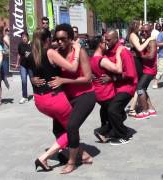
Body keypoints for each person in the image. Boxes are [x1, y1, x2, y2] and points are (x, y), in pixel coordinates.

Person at [46, 24, 96, 174]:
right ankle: (83, 154)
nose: (60, 42)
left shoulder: (80, 53)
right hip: (66, 97)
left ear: (70, 38)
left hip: (85, 95)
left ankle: (72, 162)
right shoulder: (56, 53)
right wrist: (36, 80)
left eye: (63, 39)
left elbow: (87, 78)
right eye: (57, 39)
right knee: (57, 129)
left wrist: (65, 81)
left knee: (72, 126)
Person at [28, 27, 80, 172]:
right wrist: (77, 51)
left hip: (39, 101)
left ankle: (70, 152)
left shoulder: (32, 54)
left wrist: (32, 79)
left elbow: (31, 72)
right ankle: (44, 157)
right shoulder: (50, 52)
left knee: (64, 128)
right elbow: (72, 68)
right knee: (72, 129)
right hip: (54, 98)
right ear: (48, 40)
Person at [101, 29, 138, 145]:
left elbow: (130, 74)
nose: (106, 42)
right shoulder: (108, 52)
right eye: (105, 39)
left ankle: (124, 134)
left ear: (116, 39)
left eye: (109, 40)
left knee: (113, 110)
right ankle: (109, 131)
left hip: (127, 87)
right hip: (114, 87)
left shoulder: (123, 52)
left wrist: (112, 78)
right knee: (104, 109)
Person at [89, 35, 123, 142]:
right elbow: (118, 69)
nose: (107, 43)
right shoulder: (101, 60)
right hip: (106, 93)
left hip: (98, 93)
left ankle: (106, 132)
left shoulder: (91, 59)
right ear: (100, 44)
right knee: (120, 114)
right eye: (104, 42)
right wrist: (118, 53)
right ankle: (102, 131)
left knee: (106, 110)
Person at [126, 20, 154, 117]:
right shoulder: (133, 35)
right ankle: (133, 108)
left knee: (142, 86)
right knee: (139, 86)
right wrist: (149, 39)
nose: (141, 27)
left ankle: (150, 108)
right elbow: (140, 48)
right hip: (136, 60)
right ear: (135, 26)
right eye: (140, 25)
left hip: (137, 60)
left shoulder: (135, 35)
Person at [134, 24, 157, 119]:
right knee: (143, 89)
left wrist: (140, 56)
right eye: (142, 31)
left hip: (150, 70)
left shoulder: (151, 41)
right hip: (147, 70)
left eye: (146, 31)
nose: (144, 32)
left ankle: (145, 111)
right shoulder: (147, 41)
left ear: (151, 30)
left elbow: (151, 56)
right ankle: (151, 109)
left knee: (139, 88)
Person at [16, 32, 33, 104]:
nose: (24, 38)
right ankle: (24, 97)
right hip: (23, 65)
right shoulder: (20, 45)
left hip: (31, 65)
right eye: (22, 37)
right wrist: (17, 63)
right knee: (24, 81)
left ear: (28, 37)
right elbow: (19, 54)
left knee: (33, 80)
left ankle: (36, 94)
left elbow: (35, 53)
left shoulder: (31, 44)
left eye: (25, 36)